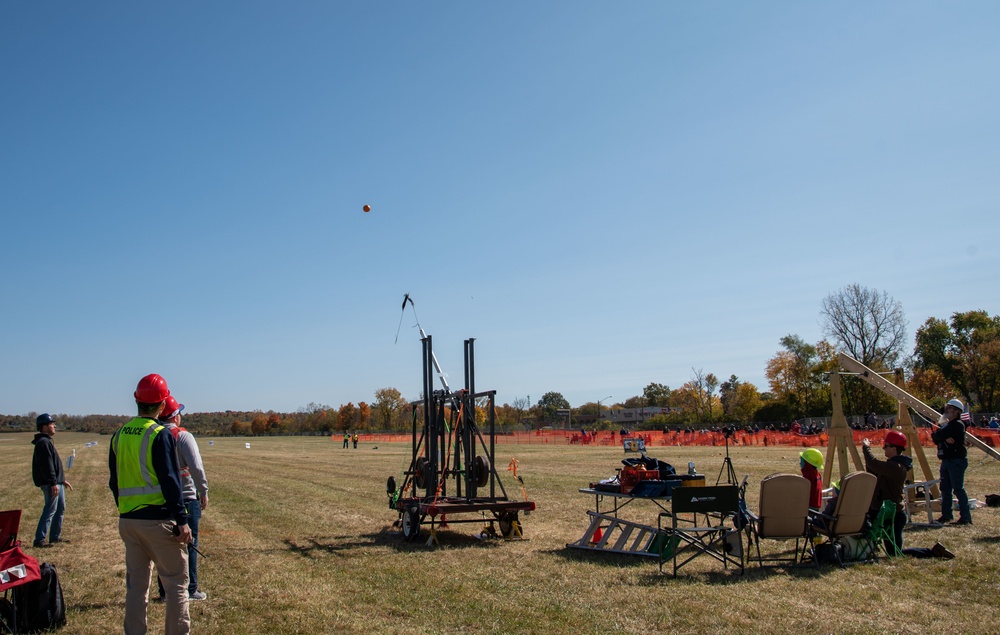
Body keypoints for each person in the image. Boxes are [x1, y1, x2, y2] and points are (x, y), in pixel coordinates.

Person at [109, 374, 192, 635]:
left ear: (136, 401)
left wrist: (125, 510)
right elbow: (170, 482)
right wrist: (182, 520)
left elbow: (114, 482)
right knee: (176, 583)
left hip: (128, 522)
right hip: (158, 522)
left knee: (136, 586)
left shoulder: (119, 434)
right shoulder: (160, 434)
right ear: (162, 403)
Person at [155, 395, 209, 602]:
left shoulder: (155, 436)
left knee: (165, 548)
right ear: (175, 416)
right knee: (190, 545)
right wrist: (203, 491)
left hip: (162, 499)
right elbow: (196, 467)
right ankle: (190, 589)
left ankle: (164, 592)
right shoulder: (183, 437)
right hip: (186, 497)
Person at [862, 431, 912, 554]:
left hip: (893, 515)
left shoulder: (897, 467)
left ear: (894, 449)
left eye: (886, 446)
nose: (884, 448)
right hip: (885, 512)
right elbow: (873, 469)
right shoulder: (891, 466)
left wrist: (866, 447)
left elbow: (873, 463)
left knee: (894, 552)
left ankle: (927, 552)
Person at [31, 413, 73, 548]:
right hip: (51, 484)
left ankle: (55, 536)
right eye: (51, 424)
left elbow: (54, 465)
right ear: (44, 427)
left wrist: (61, 480)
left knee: (60, 508)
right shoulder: (43, 443)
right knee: (50, 509)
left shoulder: (47, 441)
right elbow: (47, 465)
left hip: (57, 482)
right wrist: (53, 483)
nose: (54, 426)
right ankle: (39, 540)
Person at [931, 398, 972, 525]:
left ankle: (965, 517)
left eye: (950, 408)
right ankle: (946, 515)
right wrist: (942, 437)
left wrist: (941, 436)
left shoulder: (958, 424)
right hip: (946, 460)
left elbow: (939, 435)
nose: (947, 410)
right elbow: (935, 436)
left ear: (956, 412)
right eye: (947, 407)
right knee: (945, 489)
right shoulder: (947, 425)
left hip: (956, 460)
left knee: (958, 489)